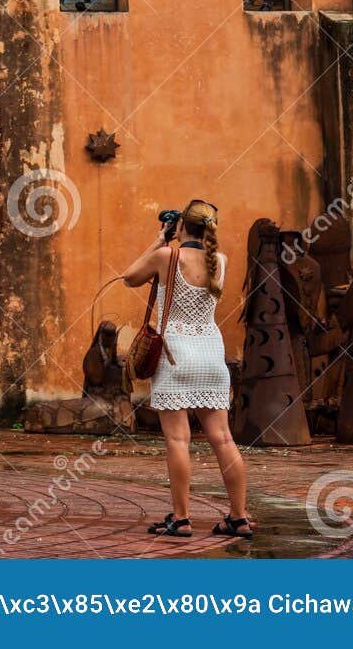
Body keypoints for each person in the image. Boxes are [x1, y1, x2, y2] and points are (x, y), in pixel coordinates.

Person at [124, 200, 253, 539]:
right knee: (223, 438)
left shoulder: (168, 256)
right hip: (212, 353)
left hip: (175, 354)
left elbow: (130, 278)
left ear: (181, 225)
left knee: (178, 439)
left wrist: (159, 240)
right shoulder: (221, 262)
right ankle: (238, 517)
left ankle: (181, 519)